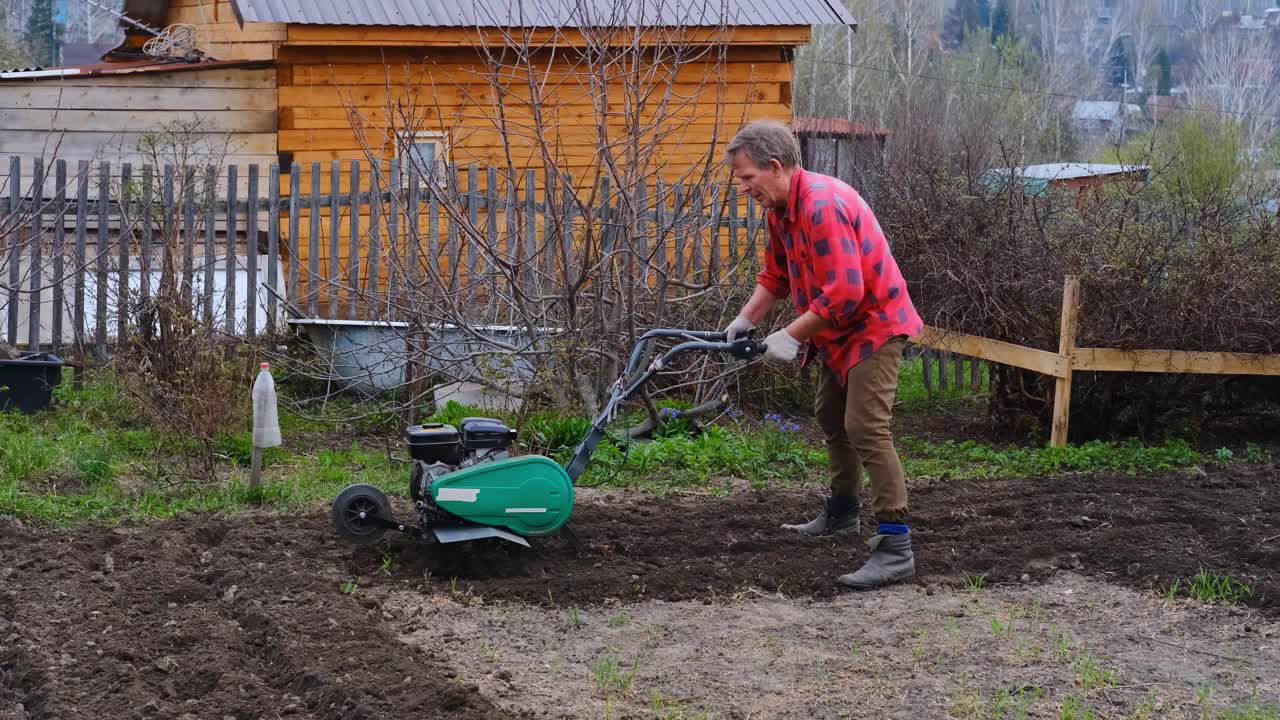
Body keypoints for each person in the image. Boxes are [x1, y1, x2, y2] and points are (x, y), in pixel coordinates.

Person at [722, 120, 923, 590]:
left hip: (875, 324)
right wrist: (745, 320)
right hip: (837, 329)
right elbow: (776, 278)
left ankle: (896, 546)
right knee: (830, 416)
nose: (743, 187)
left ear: (775, 167)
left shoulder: (822, 206)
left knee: (865, 427)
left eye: (747, 177)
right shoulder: (780, 211)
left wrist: (789, 335)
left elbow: (847, 293)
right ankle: (842, 514)